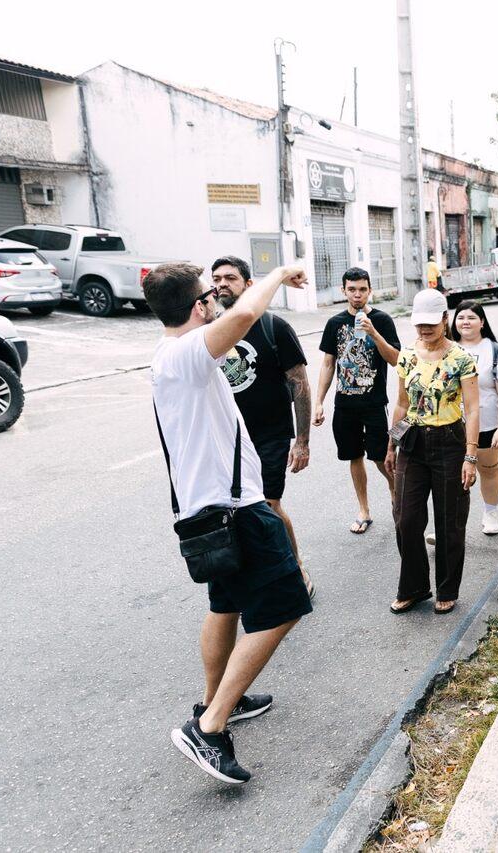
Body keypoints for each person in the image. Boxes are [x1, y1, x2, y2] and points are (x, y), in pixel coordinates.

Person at [144, 261, 312, 785]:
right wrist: (281, 272)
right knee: (286, 605)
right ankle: (210, 728)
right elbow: (243, 314)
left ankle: (214, 702)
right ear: (198, 306)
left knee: (227, 605)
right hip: (234, 508)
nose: (215, 296)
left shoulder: (169, 357)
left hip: (209, 509)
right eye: (207, 293)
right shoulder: (188, 354)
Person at [211, 256, 315, 597]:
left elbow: (299, 383)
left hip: (270, 433)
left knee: (269, 505)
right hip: (231, 437)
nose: (222, 283)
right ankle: (254, 572)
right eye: (217, 278)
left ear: (249, 284)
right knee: (237, 510)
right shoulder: (212, 331)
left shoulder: (274, 326)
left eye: (230, 277)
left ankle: (296, 567)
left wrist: (302, 441)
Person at [386, 289, 479, 615]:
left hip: (450, 443)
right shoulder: (407, 355)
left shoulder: (461, 359)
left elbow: (473, 408)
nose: (424, 329)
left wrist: (470, 456)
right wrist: (391, 445)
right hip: (412, 442)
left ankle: (446, 588)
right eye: (419, 324)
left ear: (444, 319)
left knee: (449, 521)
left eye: (430, 323)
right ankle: (413, 587)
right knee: (406, 518)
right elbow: (401, 403)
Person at [314, 268, 401, 534]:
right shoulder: (335, 323)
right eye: (352, 289)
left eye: (362, 289)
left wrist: (374, 333)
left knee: (382, 459)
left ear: (369, 290)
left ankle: (398, 504)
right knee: (354, 456)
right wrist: (319, 401)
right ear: (344, 291)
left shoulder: (383, 320)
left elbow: (396, 358)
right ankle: (364, 510)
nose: (357, 294)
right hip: (345, 405)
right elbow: (329, 364)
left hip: (374, 403)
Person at [450, 300, 498, 535]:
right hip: (451, 426)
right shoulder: (446, 348)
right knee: (451, 475)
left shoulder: (494, 351)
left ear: (482, 322)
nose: (465, 322)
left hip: (487, 425)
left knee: (488, 470)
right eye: (460, 317)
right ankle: (449, 524)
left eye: (471, 317)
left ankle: (490, 513)